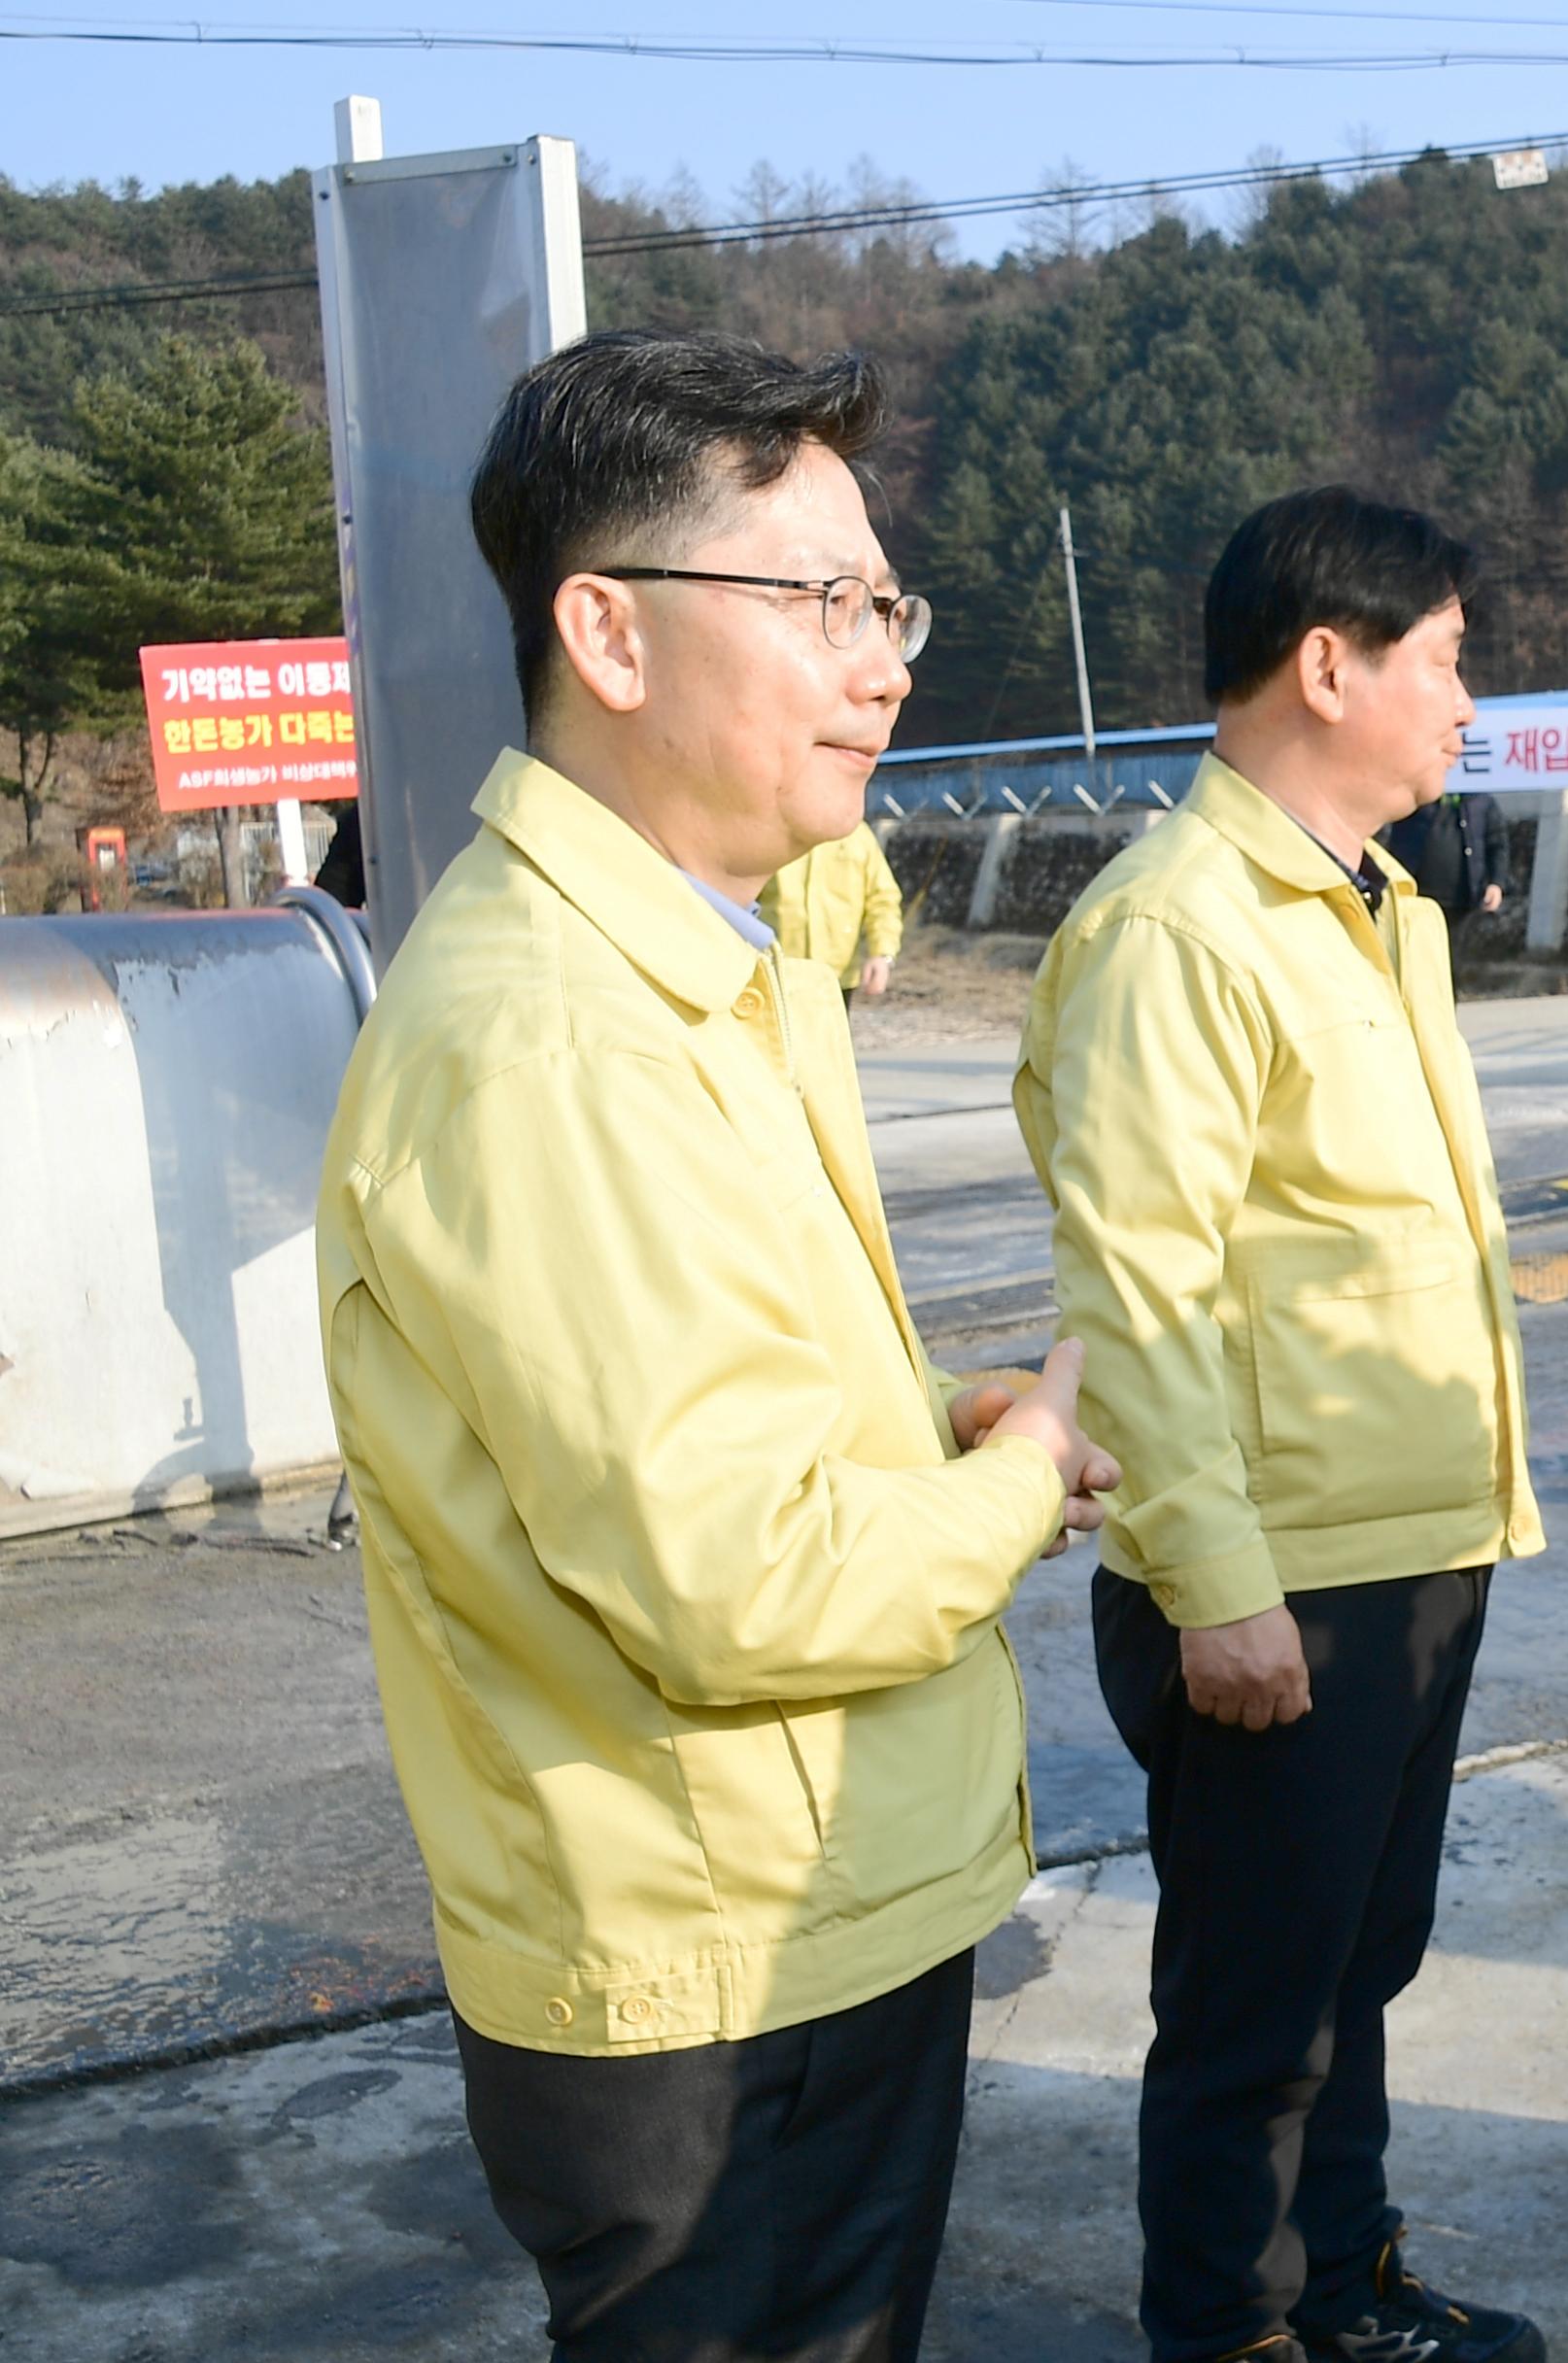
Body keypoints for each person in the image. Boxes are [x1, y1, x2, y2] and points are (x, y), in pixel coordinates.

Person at [315, 327, 1117, 2362]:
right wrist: (1016, 1481)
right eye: (822, 601)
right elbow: (736, 1578)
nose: (886, 658)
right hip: (722, 1959)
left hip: (791, 1894)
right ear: (608, 632)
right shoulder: (553, 1039)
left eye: (888, 602)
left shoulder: (703, 958)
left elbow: (685, 1399)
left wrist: (922, 1419)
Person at [1016, 485, 1548, 2363]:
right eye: (1448, 659)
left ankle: (1342, 2278)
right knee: (1255, 2003)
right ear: (1328, 665)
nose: (1467, 703)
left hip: (1406, 1545)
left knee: (1354, 1966)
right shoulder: (1178, 928)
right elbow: (1141, 1291)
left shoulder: (1372, 907)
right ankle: (1228, 2327)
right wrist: (1217, 1581)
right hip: (1281, 1581)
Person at [762, 814, 906, 1002]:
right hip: (775, 971)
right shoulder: (769, 833)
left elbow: (882, 900)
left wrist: (881, 954)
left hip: (837, 975)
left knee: (830, 1031)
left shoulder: (857, 836)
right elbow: (739, 898)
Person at [1377, 780, 1513, 944]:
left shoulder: (1481, 800)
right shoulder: (1414, 794)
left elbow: (1497, 844)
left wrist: (1496, 883)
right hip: (1415, 896)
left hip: (1461, 900)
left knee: (1450, 958)